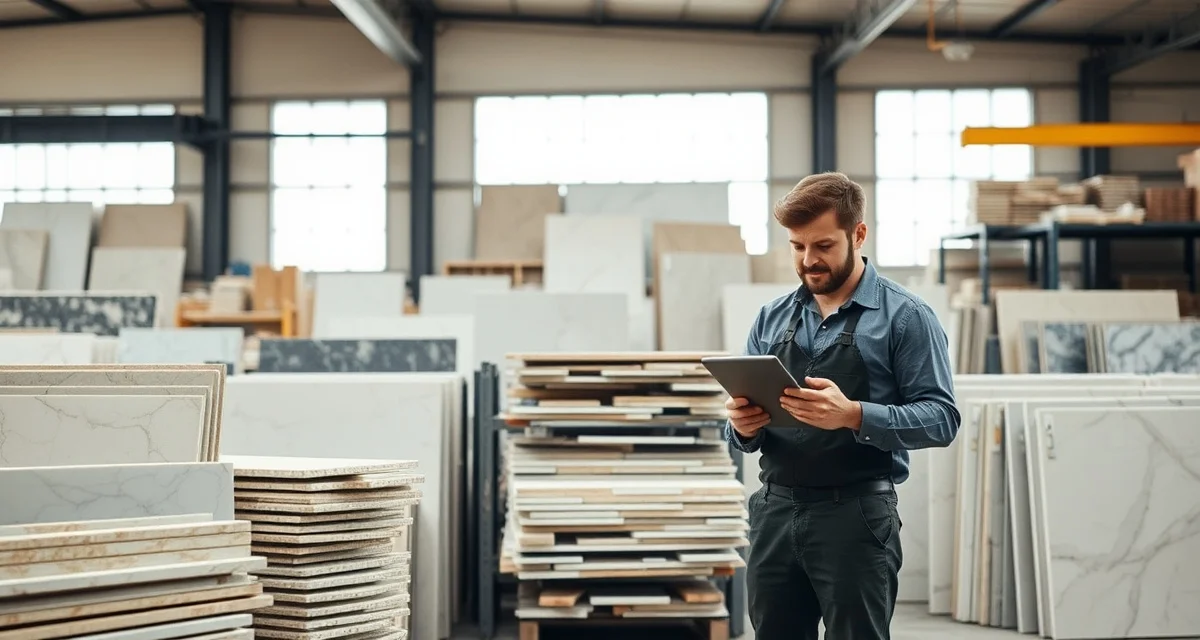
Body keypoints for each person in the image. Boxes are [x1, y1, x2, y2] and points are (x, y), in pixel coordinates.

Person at [725, 172, 960, 640]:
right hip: (774, 512)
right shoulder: (772, 318)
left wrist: (854, 414)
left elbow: (942, 418)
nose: (808, 261)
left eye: (823, 246)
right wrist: (742, 427)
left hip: (855, 517)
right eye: (797, 247)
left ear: (858, 234)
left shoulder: (906, 317)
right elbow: (742, 436)